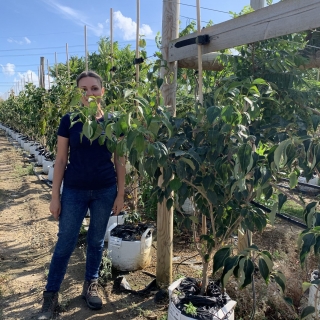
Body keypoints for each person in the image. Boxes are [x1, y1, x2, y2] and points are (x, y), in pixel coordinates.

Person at [38, 70, 125, 319]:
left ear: (102, 91)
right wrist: (55, 196)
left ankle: (90, 285)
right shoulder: (69, 120)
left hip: (104, 189)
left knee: (96, 241)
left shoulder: (113, 121)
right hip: (74, 190)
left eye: (94, 88)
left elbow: (120, 159)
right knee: (65, 241)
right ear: (78, 94)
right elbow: (61, 159)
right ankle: (50, 296)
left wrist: (121, 193)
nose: (89, 93)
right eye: (83, 89)